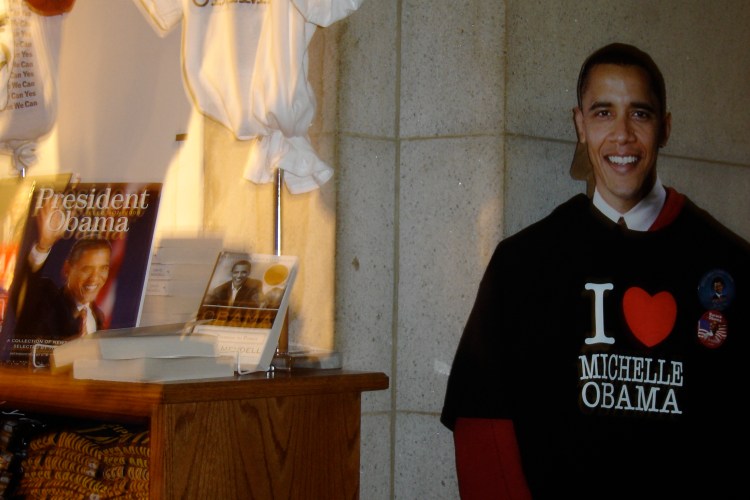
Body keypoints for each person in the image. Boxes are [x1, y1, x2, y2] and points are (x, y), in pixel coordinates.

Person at [441, 42, 750, 499]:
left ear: (664, 128)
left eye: (640, 114)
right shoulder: (523, 264)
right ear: (580, 124)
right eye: (604, 113)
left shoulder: (730, 266)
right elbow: (482, 421)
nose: (622, 135)